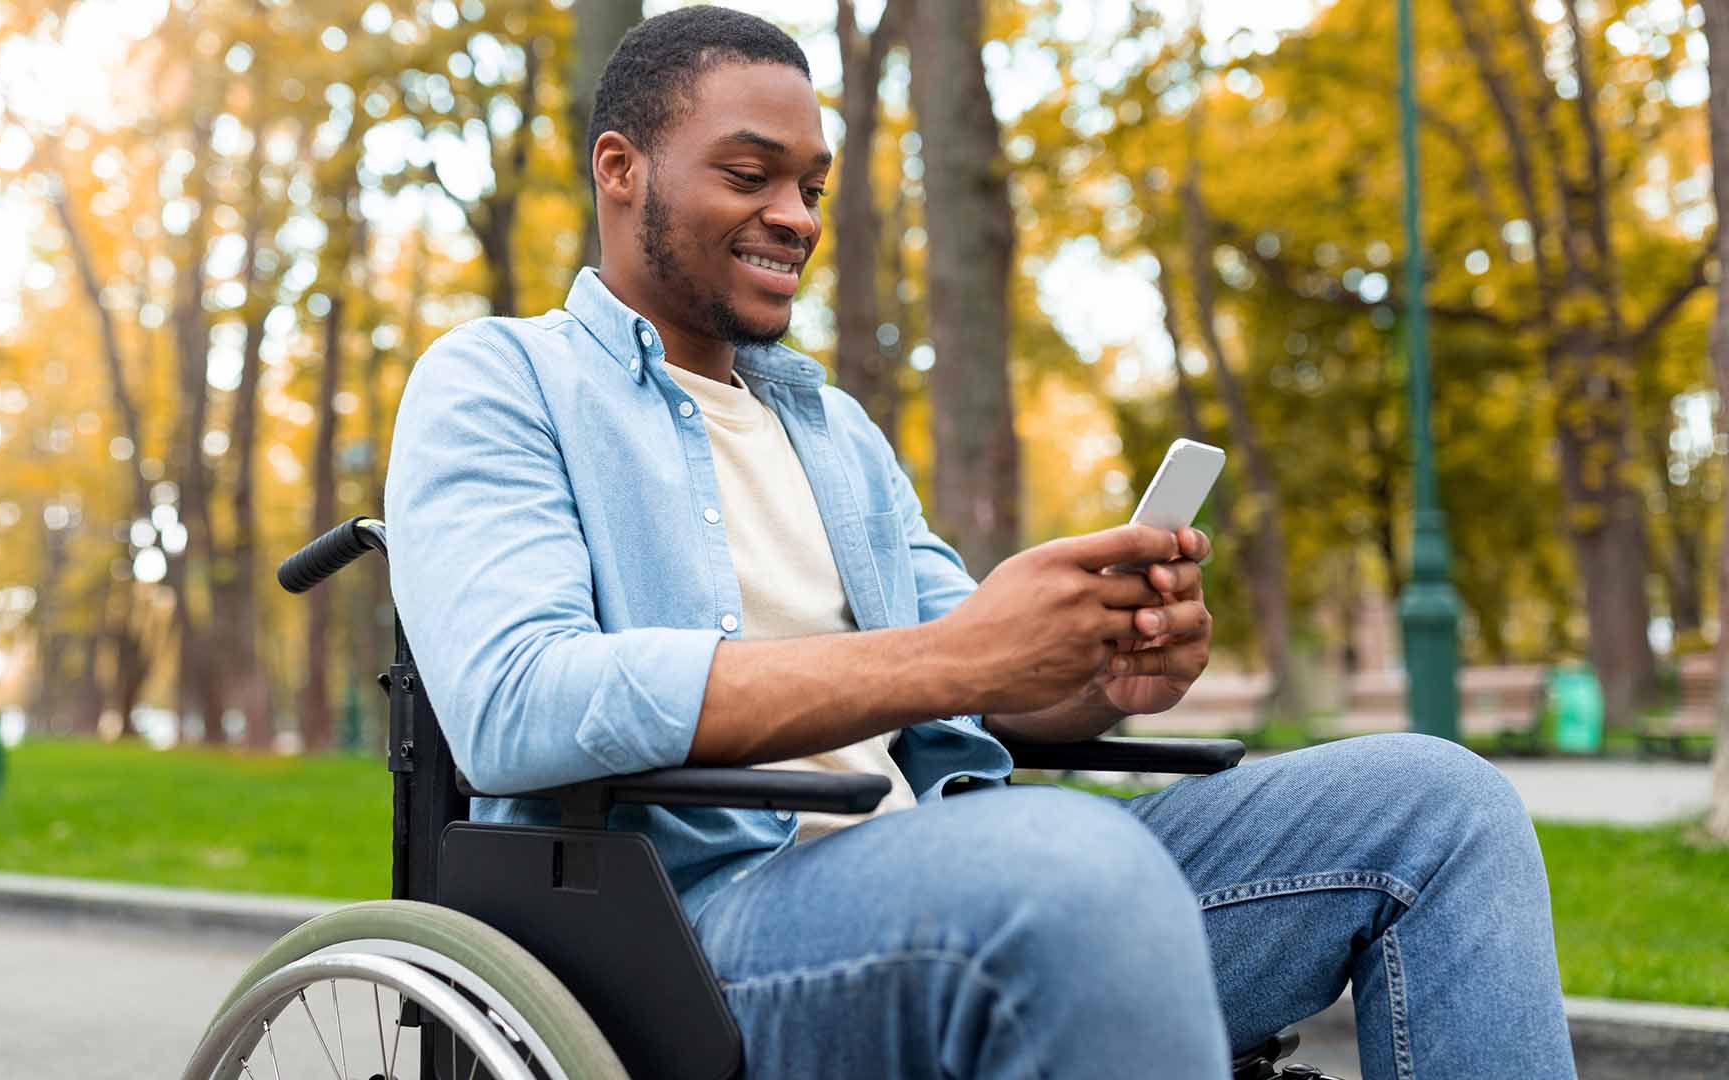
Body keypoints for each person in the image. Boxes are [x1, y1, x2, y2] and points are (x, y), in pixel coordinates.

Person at [385, 6, 1575, 1077]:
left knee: (1441, 804)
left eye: (809, 183)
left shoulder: (832, 429)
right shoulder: (500, 382)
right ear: (620, 170)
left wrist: (1092, 670)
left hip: (966, 860)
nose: (794, 217)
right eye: (751, 175)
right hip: (690, 927)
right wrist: (959, 659)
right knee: (1060, 869)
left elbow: (983, 694)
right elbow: (516, 703)